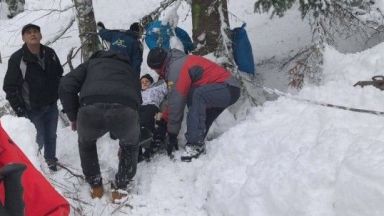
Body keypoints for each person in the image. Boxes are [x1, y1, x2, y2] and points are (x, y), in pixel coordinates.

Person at [59, 50, 141, 201]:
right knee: (130, 146)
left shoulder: (91, 64)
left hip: (90, 109)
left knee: (87, 145)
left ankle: (96, 187)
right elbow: (137, 98)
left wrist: (73, 115)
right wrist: (125, 135)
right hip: (125, 110)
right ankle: (120, 188)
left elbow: (66, 84)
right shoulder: (129, 69)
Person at [147, 47, 241, 162]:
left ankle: (195, 145)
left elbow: (177, 102)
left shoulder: (176, 68)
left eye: (154, 69)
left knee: (198, 95)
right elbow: (173, 98)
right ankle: (198, 141)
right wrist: (164, 121)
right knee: (193, 96)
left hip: (228, 88)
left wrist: (172, 133)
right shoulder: (175, 64)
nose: (156, 72)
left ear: (159, 66)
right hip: (220, 90)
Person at [3, 23, 63, 171]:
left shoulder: (50, 53)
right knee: (37, 140)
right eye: (28, 32)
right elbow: (9, 87)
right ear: (23, 38)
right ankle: (35, 167)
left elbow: (59, 75)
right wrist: (20, 110)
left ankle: (51, 161)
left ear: (41, 35)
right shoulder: (18, 59)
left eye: (36, 31)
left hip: (51, 105)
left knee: (51, 136)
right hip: (31, 109)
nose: (33, 34)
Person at [138, 74, 167, 159]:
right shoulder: (138, 92)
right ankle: (137, 149)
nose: (144, 83)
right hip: (140, 108)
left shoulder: (156, 89)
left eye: (147, 81)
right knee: (136, 122)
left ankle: (149, 144)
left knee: (147, 120)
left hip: (151, 106)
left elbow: (169, 84)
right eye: (142, 82)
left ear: (151, 83)